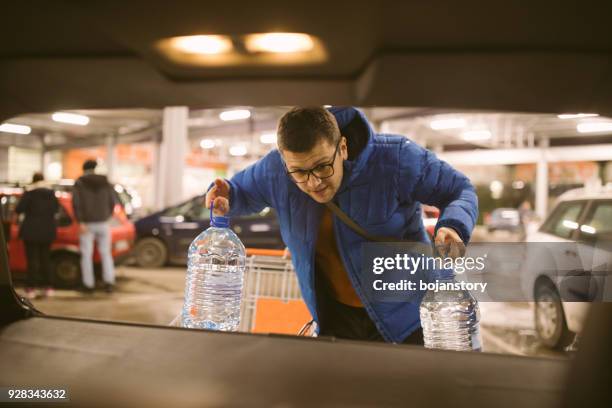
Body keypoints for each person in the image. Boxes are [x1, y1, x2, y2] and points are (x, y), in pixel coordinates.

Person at [206, 107, 478, 344]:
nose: (314, 182)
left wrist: (453, 224)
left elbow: (459, 189)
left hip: (409, 318)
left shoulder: (396, 159)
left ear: (343, 147)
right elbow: (240, 192)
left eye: (323, 166)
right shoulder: (274, 171)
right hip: (334, 320)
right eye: (299, 172)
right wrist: (225, 196)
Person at [72, 159, 117, 293]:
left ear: (84, 169)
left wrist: (80, 222)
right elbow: (112, 202)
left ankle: (88, 285)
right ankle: (109, 283)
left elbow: (76, 203)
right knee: (106, 254)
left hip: (87, 224)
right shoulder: (106, 182)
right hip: (103, 223)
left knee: (86, 255)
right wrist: (107, 216)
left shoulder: (80, 183)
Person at [15, 172, 59, 299]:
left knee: (32, 261)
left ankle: (31, 288)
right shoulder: (51, 194)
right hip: (47, 231)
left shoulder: (29, 193)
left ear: (33, 181)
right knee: (46, 259)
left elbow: (19, 209)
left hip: (31, 231)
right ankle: (48, 287)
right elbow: (56, 209)